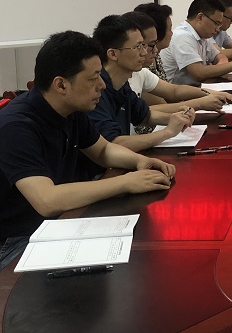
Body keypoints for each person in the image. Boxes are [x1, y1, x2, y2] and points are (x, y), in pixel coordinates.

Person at [0, 31, 175, 270]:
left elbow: (103, 150)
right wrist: (126, 183)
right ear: (61, 84)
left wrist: (138, 162)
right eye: (93, 78)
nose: (102, 85)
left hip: (59, 221)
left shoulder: (71, 110)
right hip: (18, 238)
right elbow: (46, 199)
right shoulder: (16, 126)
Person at [88, 14, 195, 155]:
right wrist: (168, 132)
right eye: (138, 47)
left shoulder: (122, 84)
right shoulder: (95, 90)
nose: (144, 52)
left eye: (144, 46)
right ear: (113, 54)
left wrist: (177, 118)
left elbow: (145, 115)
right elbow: (113, 143)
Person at [122, 12, 232, 136]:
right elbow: (153, 109)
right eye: (140, 46)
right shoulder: (118, 81)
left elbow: (174, 91)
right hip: (146, 133)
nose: (146, 51)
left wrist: (209, 93)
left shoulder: (141, 72)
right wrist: (198, 104)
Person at [160, 0, 232, 85]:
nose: (218, 29)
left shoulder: (202, 36)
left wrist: (221, 66)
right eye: (216, 23)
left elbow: (219, 56)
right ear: (200, 17)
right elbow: (198, 73)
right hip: (178, 95)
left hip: (197, 88)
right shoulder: (183, 36)